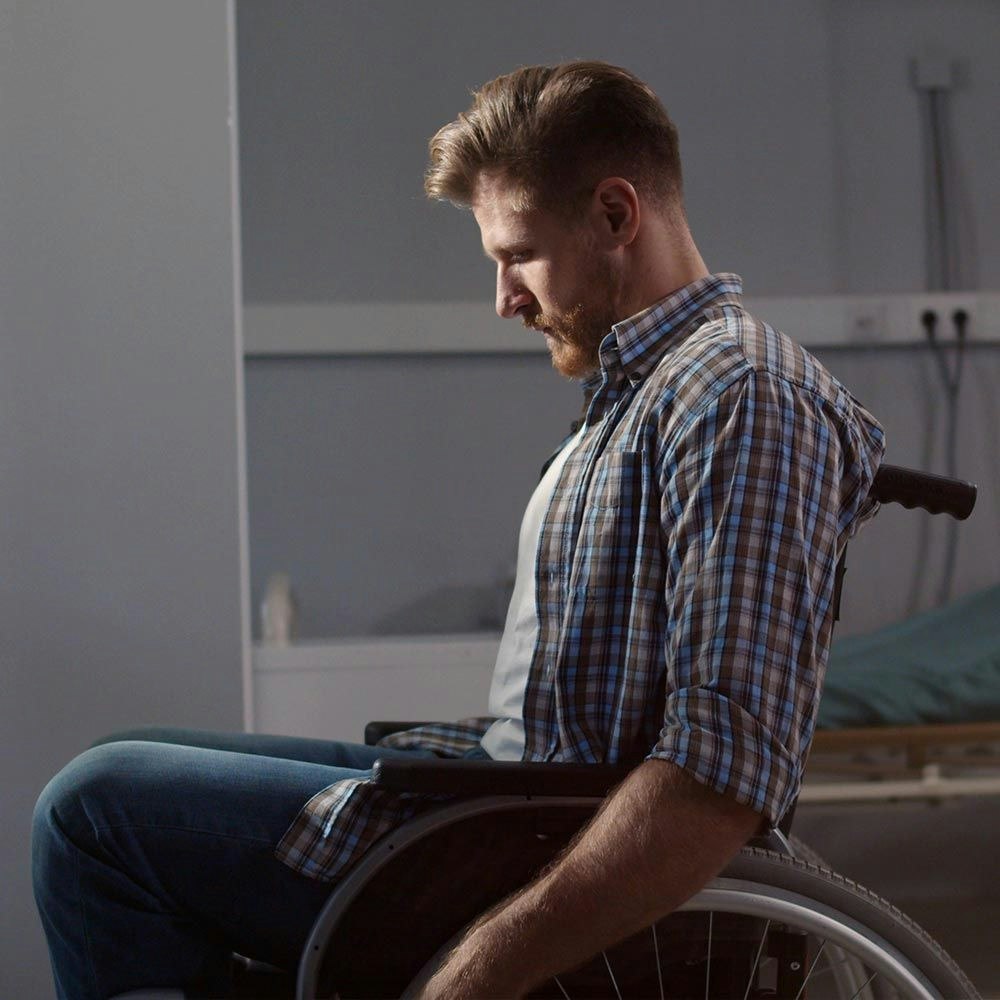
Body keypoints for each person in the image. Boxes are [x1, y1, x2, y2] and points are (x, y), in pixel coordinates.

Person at [32, 60, 885, 999]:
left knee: (92, 815)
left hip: (527, 848)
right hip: (500, 800)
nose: (504, 298)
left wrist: (479, 969)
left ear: (615, 215)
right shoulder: (646, 393)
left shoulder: (741, 396)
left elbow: (717, 782)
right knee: (127, 757)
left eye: (517, 255)